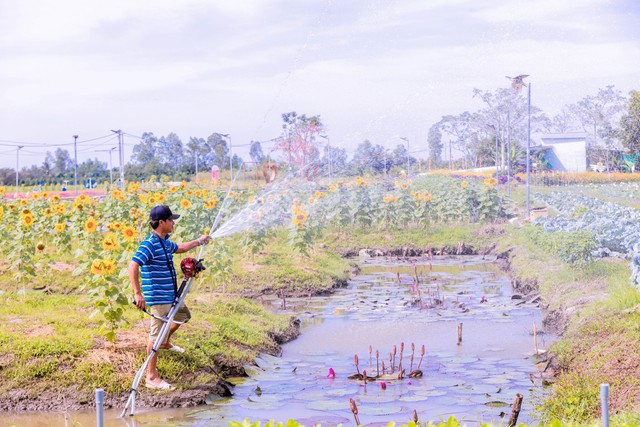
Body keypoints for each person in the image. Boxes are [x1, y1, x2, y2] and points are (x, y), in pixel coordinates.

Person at [129, 205, 211, 390]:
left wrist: (199, 241)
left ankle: (165, 343)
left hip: (171, 295)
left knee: (183, 317)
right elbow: (133, 265)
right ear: (161, 222)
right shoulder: (149, 244)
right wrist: (137, 293)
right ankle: (151, 377)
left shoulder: (165, 242)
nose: (173, 222)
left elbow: (180, 248)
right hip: (158, 297)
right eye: (171, 220)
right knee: (155, 335)